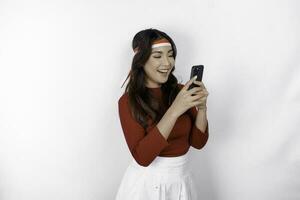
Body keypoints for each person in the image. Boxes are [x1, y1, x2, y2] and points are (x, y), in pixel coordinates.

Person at [116, 28, 209, 199]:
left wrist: (202, 108)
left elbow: (198, 142)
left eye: (170, 55)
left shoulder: (181, 91)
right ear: (141, 61)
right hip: (146, 185)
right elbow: (143, 158)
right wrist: (175, 110)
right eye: (158, 56)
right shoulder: (128, 102)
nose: (167, 63)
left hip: (182, 180)